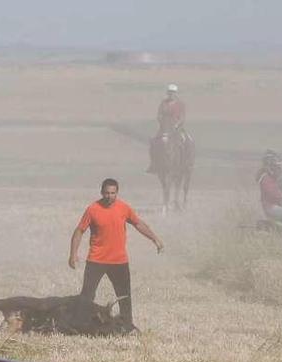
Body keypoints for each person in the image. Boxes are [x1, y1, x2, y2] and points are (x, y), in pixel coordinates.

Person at [68, 178, 164, 331]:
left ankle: (127, 326)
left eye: (113, 193)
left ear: (117, 193)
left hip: (119, 261)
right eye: (106, 193)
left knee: (124, 295)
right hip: (96, 260)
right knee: (87, 295)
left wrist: (155, 239)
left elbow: (138, 223)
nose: (109, 196)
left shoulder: (124, 208)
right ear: (101, 192)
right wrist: (73, 254)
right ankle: (80, 325)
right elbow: (79, 230)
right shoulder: (93, 209)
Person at [148, 84, 193, 174]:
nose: (171, 94)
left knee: (187, 141)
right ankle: (153, 164)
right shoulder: (163, 103)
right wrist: (161, 121)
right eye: (170, 93)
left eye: (173, 93)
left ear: (175, 93)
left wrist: (176, 125)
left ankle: (187, 163)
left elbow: (182, 117)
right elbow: (159, 114)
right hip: (164, 127)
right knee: (154, 143)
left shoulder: (180, 104)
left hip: (177, 128)